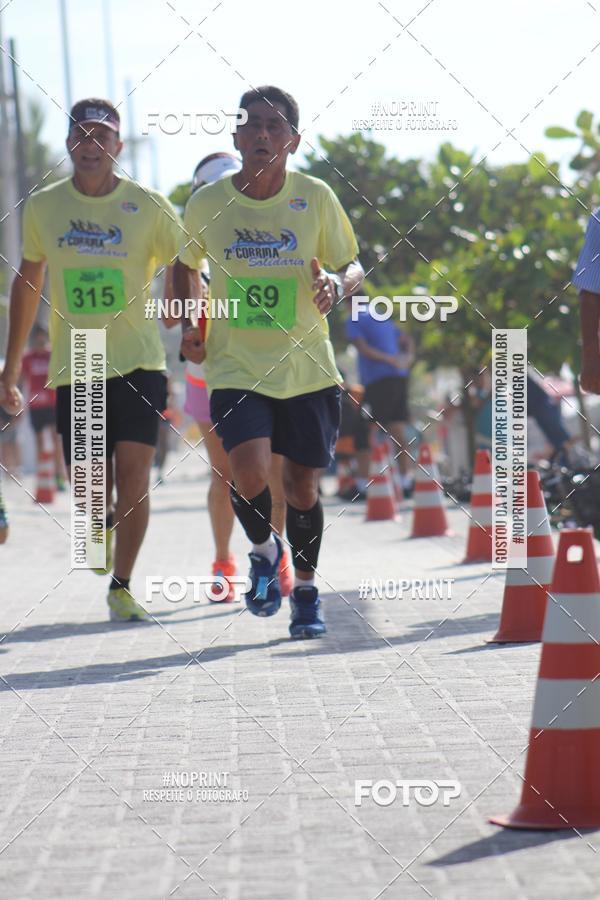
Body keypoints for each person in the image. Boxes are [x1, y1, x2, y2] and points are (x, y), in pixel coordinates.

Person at [174, 85, 364, 637]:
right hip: (235, 364)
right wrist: (191, 323)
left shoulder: (316, 196)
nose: (261, 134)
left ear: (294, 141)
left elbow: (352, 261)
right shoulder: (208, 204)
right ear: (236, 136)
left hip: (307, 365)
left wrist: (336, 282)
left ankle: (305, 591)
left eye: (274, 127)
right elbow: (187, 265)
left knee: (302, 487)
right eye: (251, 125)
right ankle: (262, 549)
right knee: (249, 469)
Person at [0, 98, 183, 621]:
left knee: (134, 479)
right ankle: (94, 524)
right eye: (81, 135)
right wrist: (10, 370)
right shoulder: (45, 207)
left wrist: (189, 313)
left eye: (101, 136)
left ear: (117, 147)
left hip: (141, 360)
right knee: (86, 486)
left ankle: (122, 586)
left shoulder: (148, 205)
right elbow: (28, 283)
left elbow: (186, 258)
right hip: (79, 358)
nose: (91, 144)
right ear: (68, 144)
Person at [164, 152, 293, 601]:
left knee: (272, 473)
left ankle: (274, 557)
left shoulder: (268, 228)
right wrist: (186, 307)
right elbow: (167, 316)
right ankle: (224, 559)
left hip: (269, 367)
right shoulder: (191, 244)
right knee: (224, 473)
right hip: (209, 374)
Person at [346, 302, 415, 495]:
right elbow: (406, 340)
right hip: (399, 378)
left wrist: (388, 360)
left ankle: (362, 486)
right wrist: (406, 359)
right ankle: (406, 481)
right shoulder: (382, 315)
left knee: (363, 428)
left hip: (378, 380)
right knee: (397, 427)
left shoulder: (354, 315)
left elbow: (362, 348)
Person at [21, 324, 66, 490]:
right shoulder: (28, 358)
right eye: (37, 338)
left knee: (56, 441)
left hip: (52, 404)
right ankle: (42, 476)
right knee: (39, 442)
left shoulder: (52, 355)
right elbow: (21, 378)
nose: (40, 341)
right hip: (35, 405)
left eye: (43, 338)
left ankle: (59, 476)